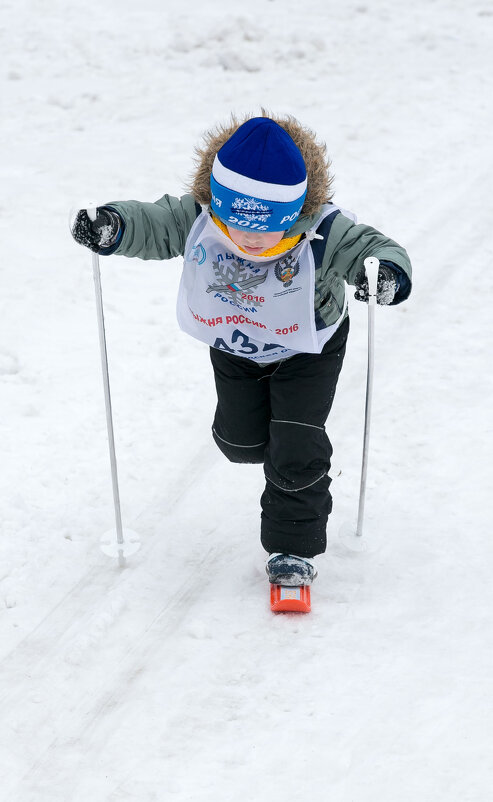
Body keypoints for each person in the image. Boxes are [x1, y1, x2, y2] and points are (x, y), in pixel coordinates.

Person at [72, 113, 412, 587]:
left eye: (264, 227)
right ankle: (269, 445)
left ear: (293, 213)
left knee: (295, 446)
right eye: (235, 222)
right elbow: (155, 222)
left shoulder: (324, 231)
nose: (248, 238)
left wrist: (387, 273)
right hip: (236, 341)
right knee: (242, 443)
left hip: (308, 348)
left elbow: (371, 248)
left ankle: (292, 547)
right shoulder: (204, 216)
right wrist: (115, 226)